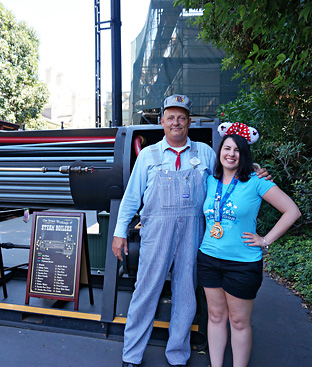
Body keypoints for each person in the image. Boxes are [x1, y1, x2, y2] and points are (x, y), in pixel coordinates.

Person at [112, 95, 269, 367]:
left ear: (189, 122)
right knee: (145, 292)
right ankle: (131, 356)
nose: (176, 122)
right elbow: (130, 198)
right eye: (170, 117)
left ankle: (177, 355)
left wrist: (253, 171)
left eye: (181, 118)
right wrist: (119, 232)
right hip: (156, 233)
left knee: (186, 295)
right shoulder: (148, 155)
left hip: (193, 234)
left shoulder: (206, 153)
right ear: (161, 121)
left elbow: (230, 173)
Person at [197, 125, 300, 367]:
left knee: (239, 322)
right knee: (215, 316)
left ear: (245, 154)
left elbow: (292, 211)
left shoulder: (256, 181)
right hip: (208, 259)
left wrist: (265, 240)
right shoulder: (210, 180)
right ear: (220, 151)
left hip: (242, 264)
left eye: (237, 150)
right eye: (227, 148)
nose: (231, 154)